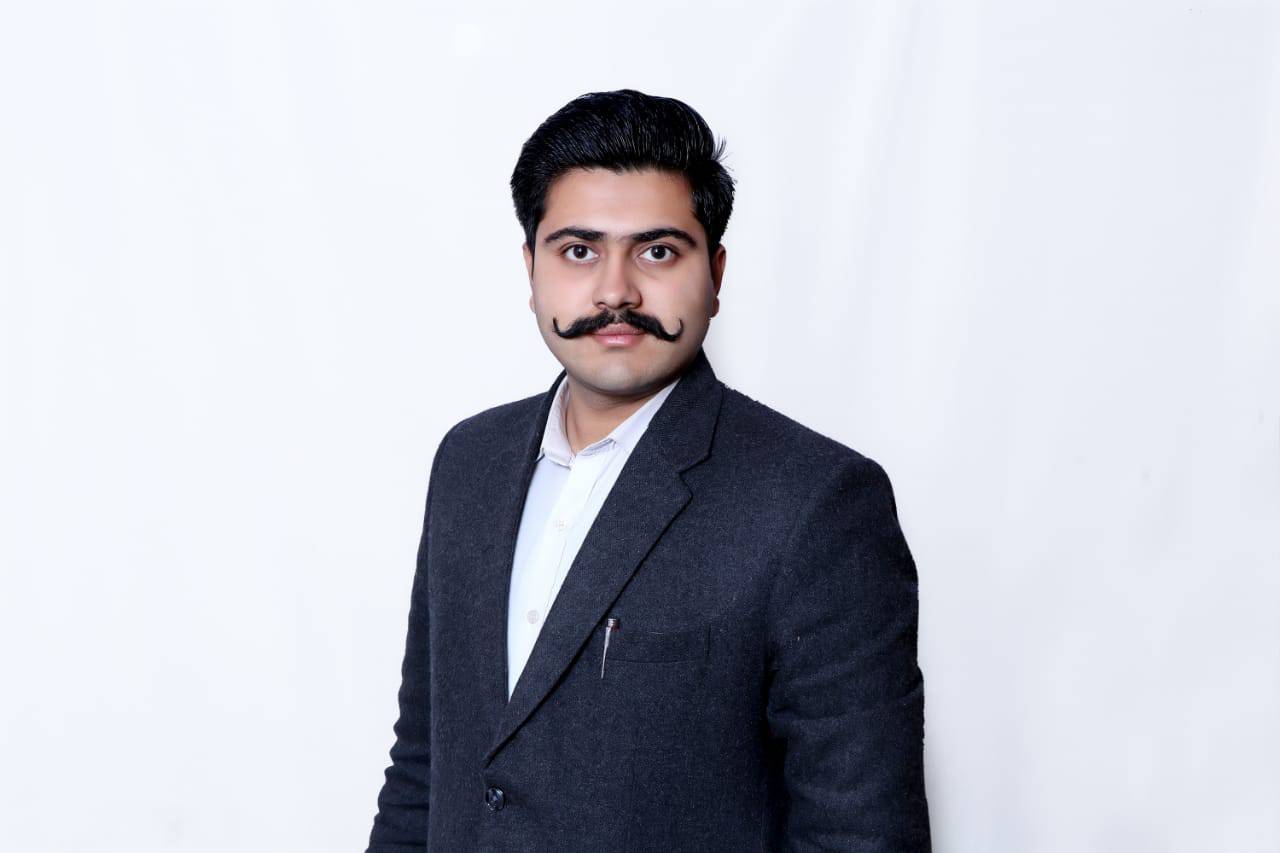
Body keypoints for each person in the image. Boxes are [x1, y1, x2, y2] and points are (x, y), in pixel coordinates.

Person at [365, 88, 931, 852]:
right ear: (530, 269)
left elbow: (860, 834)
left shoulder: (816, 502)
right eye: (579, 250)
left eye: (658, 251)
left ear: (716, 273)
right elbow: (422, 773)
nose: (615, 291)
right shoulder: (469, 462)